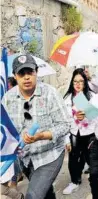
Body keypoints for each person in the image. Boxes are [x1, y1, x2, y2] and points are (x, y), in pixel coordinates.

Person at [2, 54, 70, 199]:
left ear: (36, 72)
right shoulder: (8, 98)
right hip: (25, 157)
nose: (26, 77)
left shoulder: (50, 94)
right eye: (21, 73)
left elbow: (65, 125)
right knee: (45, 193)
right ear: (15, 76)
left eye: (29, 72)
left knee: (33, 195)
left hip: (49, 155)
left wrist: (41, 136)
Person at [62, 68, 96, 195]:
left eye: (81, 81)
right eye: (75, 81)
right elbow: (64, 120)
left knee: (91, 157)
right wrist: (66, 139)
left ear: (85, 82)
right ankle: (74, 181)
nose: (78, 84)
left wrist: (86, 113)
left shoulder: (92, 96)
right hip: (74, 133)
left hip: (90, 133)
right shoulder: (67, 99)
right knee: (73, 158)